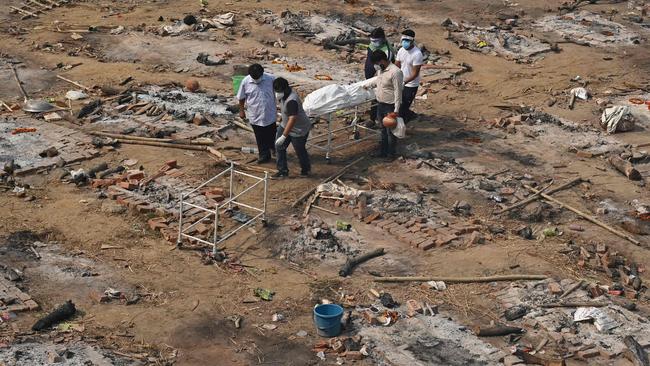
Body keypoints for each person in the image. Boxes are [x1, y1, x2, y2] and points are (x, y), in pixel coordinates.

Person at [366, 50, 403, 158]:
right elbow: (378, 81)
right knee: (382, 130)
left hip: (390, 106)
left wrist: (396, 109)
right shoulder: (381, 70)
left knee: (390, 131)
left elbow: (398, 91)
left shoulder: (395, 72)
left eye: (377, 63)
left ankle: (391, 154)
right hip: (380, 104)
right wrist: (368, 85)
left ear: (382, 61)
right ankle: (383, 152)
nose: (376, 66)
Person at [236, 64, 277, 163]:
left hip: (269, 113)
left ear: (262, 74)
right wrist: (241, 111)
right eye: (254, 78)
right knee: (260, 136)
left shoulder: (271, 79)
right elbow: (241, 98)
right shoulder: (245, 81)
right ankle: (264, 155)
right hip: (255, 114)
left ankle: (273, 149)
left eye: (258, 77)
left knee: (271, 133)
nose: (256, 80)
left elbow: (278, 92)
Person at [273, 77, 312, 178]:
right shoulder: (283, 96)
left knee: (299, 150)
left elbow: (293, 119)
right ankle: (282, 171)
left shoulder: (292, 100)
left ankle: (306, 170)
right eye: (276, 91)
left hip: (299, 129)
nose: (277, 93)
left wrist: (284, 136)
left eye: (279, 91)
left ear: (285, 89)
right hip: (285, 125)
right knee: (279, 147)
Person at [364, 27, 394, 127]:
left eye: (376, 41)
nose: (373, 43)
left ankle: (379, 119)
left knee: (380, 97)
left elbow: (384, 70)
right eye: (372, 41)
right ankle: (373, 118)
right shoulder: (373, 45)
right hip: (370, 71)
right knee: (373, 96)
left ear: (382, 39)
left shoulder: (387, 51)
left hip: (381, 75)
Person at [395, 29, 423, 122]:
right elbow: (397, 65)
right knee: (397, 105)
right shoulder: (401, 50)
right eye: (403, 41)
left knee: (404, 107)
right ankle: (409, 115)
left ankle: (404, 123)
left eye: (407, 41)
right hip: (400, 81)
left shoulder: (417, 54)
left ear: (412, 41)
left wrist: (404, 81)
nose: (405, 43)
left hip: (411, 84)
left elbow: (415, 74)